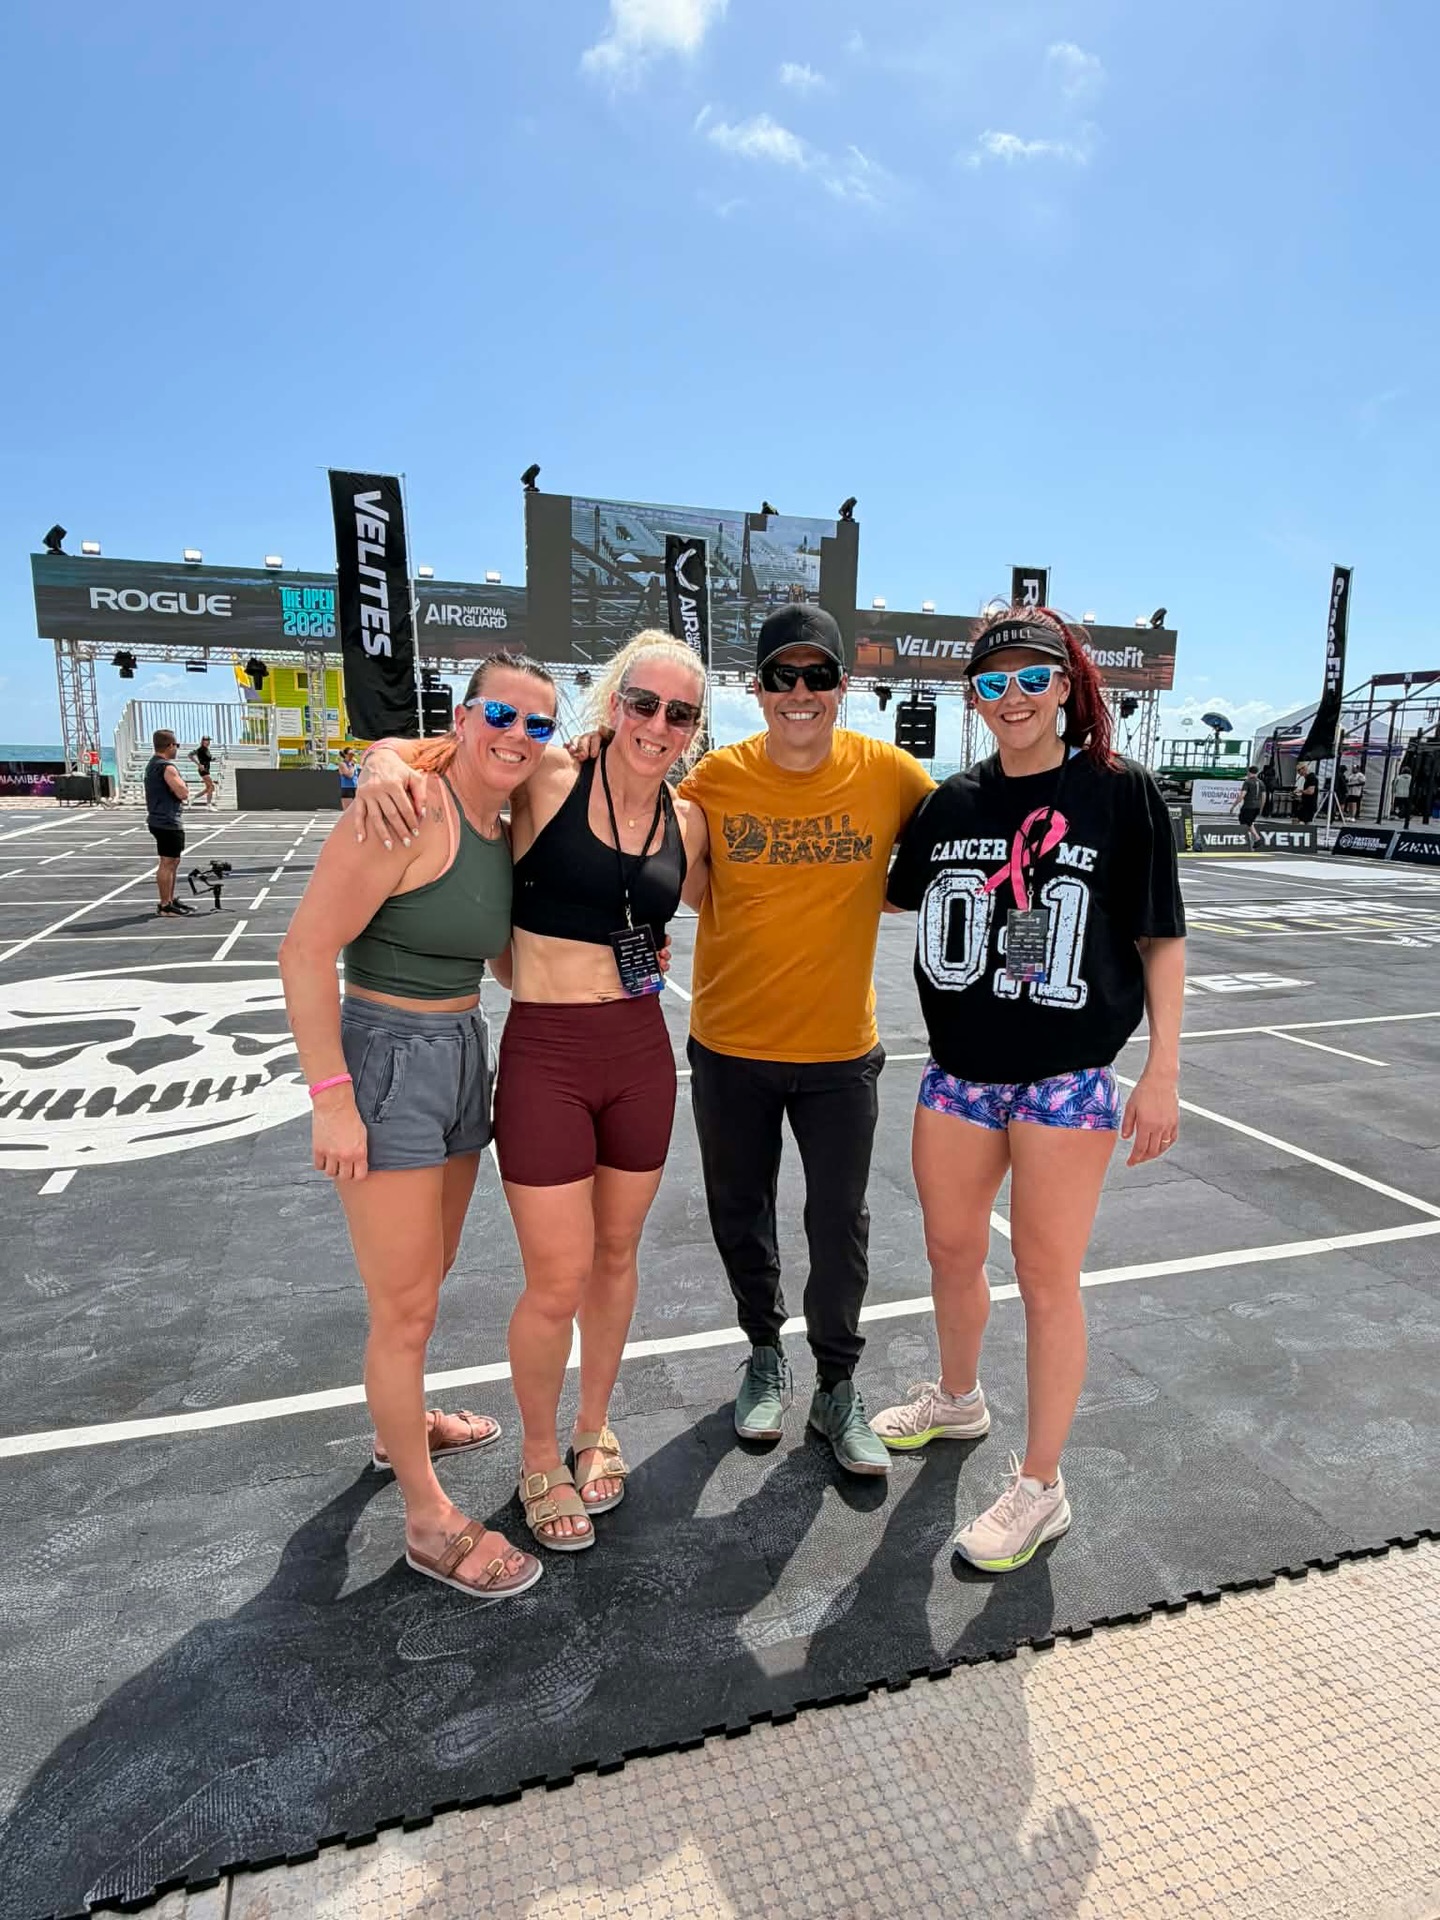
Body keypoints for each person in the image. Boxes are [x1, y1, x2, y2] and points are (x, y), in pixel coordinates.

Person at [354, 632, 710, 1552]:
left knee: (617, 1256)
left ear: (694, 729)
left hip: (640, 1054)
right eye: (642, 702)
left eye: (680, 713)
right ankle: (541, 1454)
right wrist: (379, 757)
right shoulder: (549, 774)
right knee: (556, 1276)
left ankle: (595, 1426)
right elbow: (451, 750)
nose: (657, 724)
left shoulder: (691, 819)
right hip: (548, 1051)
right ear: (613, 702)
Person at [873, 605, 1185, 1572]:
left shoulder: (1121, 794)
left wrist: (1164, 1070)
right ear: (975, 695)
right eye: (993, 682)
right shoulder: (949, 804)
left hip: (1066, 1079)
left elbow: (1159, 939)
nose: (1013, 697)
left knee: (1048, 1279)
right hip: (960, 1074)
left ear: (1067, 687)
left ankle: (1042, 1485)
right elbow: (875, 893)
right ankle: (960, 1398)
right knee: (951, 1250)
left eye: (1032, 678)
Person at [278, 649, 559, 1604]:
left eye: (539, 724)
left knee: (425, 1283)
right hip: (387, 1056)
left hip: (461, 1051)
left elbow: (506, 964)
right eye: (501, 716)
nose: (517, 737)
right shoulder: (408, 806)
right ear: (465, 713)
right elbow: (304, 951)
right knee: (401, 1308)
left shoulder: (499, 818)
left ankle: (400, 1421)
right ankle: (427, 1518)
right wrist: (331, 1097)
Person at [679, 604, 934, 1478]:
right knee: (739, 1214)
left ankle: (836, 1385)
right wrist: (390, 760)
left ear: (842, 688)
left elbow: (978, 825)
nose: (799, 692)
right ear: (756, 689)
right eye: (782, 677)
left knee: (840, 1224)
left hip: (838, 1055)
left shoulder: (890, 773)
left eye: (817, 676)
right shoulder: (714, 778)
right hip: (730, 1046)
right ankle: (762, 1351)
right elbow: (624, 820)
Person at [145, 730, 195, 917]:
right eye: (177, 745)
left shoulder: (152, 765)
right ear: (170, 746)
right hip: (166, 820)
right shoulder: (167, 767)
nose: (177, 749)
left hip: (159, 818)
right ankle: (165, 904)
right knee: (167, 862)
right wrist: (183, 786)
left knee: (173, 861)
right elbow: (182, 792)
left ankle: (170, 900)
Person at [1238, 765, 1263, 847]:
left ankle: (1256, 838)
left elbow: (1242, 795)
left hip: (1248, 806)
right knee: (1248, 822)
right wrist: (1261, 808)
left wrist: (1234, 805)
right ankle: (1250, 838)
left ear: (1249, 772)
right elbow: (1264, 796)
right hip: (1257, 806)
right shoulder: (1261, 782)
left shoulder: (1247, 782)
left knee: (1245, 821)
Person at [187, 736, 216, 807]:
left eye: (209, 740)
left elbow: (205, 759)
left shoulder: (206, 749)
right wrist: (198, 764)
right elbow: (190, 755)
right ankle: (209, 805)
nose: (209, 742)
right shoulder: (200, 749)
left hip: (207, 769)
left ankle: (192, 798)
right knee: (212, 787)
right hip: (203, 770)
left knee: (208, 788)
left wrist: (212, 759)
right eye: (207, 740)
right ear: (203, 741)